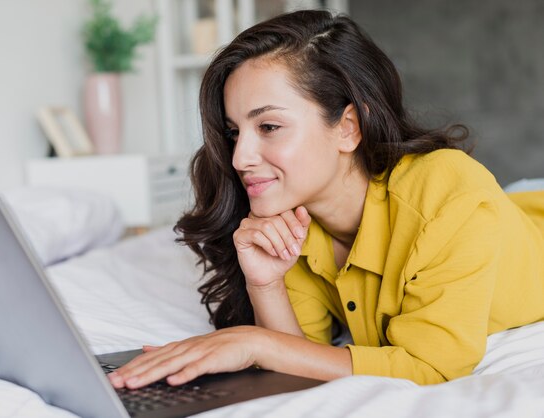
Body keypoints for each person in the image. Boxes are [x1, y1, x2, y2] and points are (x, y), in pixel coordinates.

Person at [109, 10, 544, 389]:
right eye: (234, 131)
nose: (240, 157)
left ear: (348, 128)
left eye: (269, 127)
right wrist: (265, 284)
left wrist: (254, 344)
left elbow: (429, 368)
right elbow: (303, 361)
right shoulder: (294, 216)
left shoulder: (447, 193)